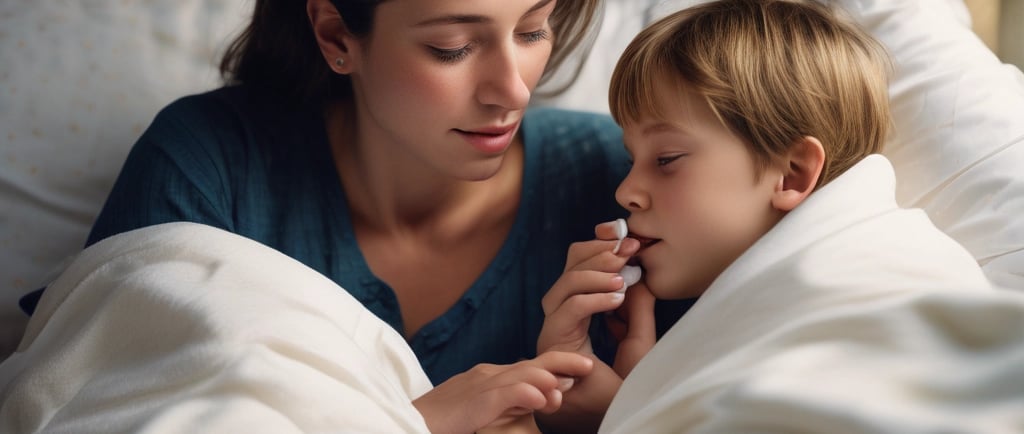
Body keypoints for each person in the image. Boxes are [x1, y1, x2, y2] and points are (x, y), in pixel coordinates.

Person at [13, 0, 667, 431]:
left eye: (533, 29)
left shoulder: (631, 180)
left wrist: (616, 413)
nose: (515, 88)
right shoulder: (210, 165)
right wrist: (411, 424)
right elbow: (95, 403)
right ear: (335, 35)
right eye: (452, 47)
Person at [538, 0, 1024, 432]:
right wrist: (635, 397)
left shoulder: (882, 277)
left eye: (666, 160)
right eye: (631, 160)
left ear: (792, 175)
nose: (627, 191)